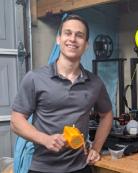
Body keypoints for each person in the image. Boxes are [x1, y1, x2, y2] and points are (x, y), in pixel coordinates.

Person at [10, 14, 113, 173]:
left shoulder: (95, 83)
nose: (73, 39)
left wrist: (96, 148)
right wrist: (44, 139)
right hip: (41, 169)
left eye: (79, 35)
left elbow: (106, 115)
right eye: (68, 33)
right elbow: (16, 121)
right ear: (59, 39)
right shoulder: (35, 78)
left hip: (80, 167)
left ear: (86, 45)